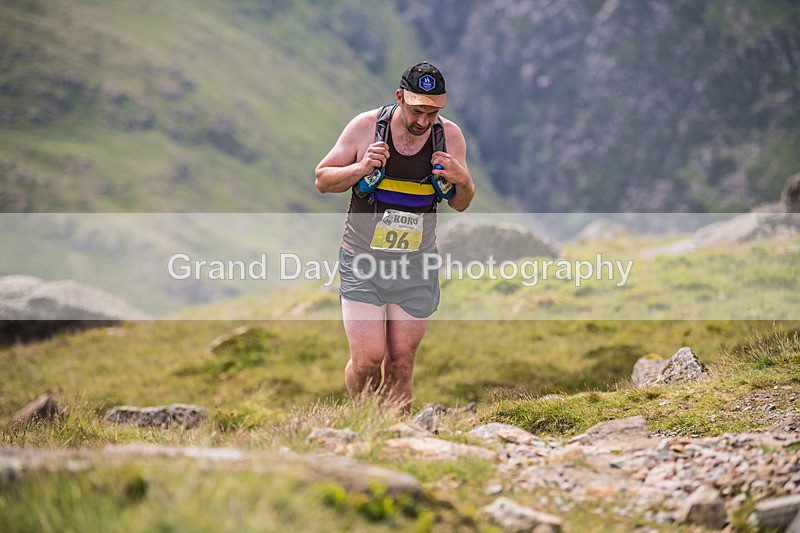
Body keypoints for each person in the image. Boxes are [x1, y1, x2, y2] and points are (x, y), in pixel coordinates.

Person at [315, 61, 475, 413]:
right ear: (399, 97)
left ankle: (399, 433)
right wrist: (361, 168)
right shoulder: (366, 127)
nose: (423, 122)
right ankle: (366, 419)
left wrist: (462, 179)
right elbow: (323, 179)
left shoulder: (449, 136)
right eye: (417, 111)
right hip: (363, 260)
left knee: (401, 362)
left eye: (432, 113)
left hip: (416, 264)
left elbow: (461, 203)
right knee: (367, 360)